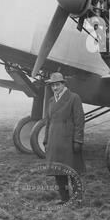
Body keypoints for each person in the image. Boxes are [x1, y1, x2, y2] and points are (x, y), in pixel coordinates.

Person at [43, 72, 86, 204]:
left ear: (63, 84)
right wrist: (46, 140)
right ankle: (65, 199)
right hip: (54, 141)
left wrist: (78, 140)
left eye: (57, 85)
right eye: (52, 86)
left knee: (73, 172)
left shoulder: (74, 98)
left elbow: (80, 120)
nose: (55, 88)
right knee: (58, 172)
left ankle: (77, 200)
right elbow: (48, 122)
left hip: (68, 140)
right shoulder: (51, 101)